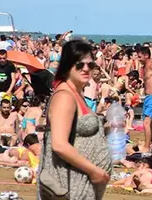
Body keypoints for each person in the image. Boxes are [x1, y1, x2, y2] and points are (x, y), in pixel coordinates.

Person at [38, 39, 111, 200]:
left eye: (90, 65)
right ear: (67, 66)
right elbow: (59, 144)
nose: (86, 69)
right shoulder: (65, 97)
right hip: (68, 184)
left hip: (80, 185)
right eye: (79, 65)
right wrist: (94, 170)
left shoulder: (77, 94)